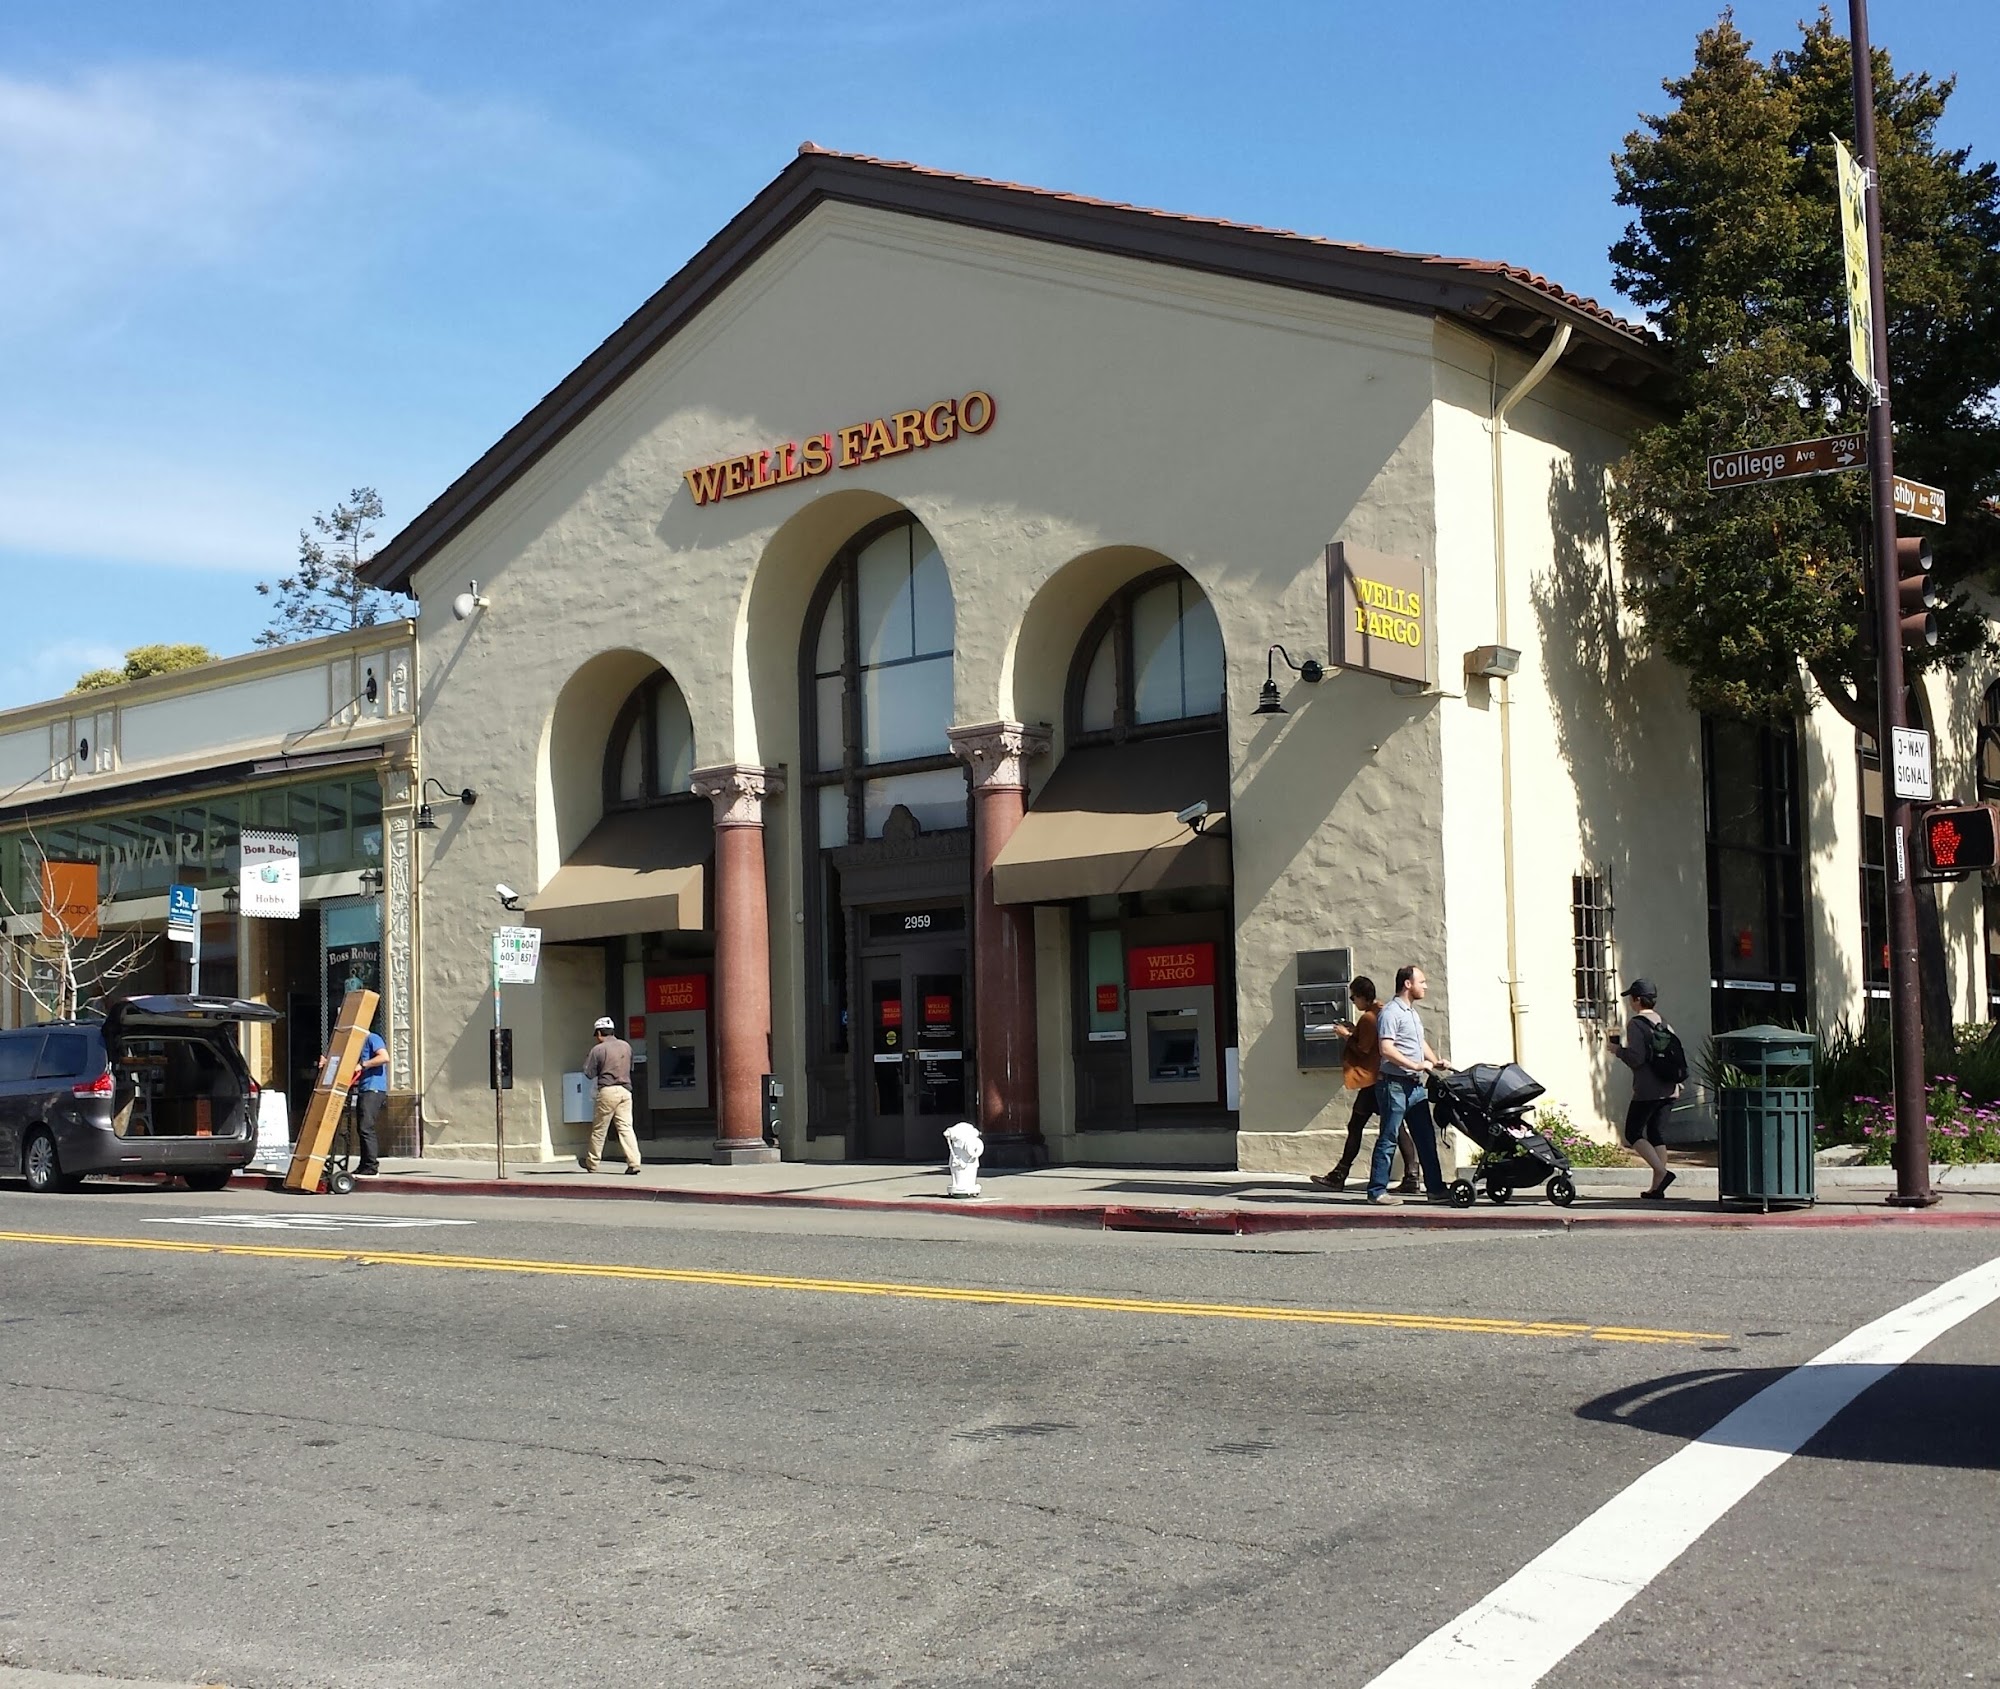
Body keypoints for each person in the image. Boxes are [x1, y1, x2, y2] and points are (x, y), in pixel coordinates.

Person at [1310, 976, 1418, 1192]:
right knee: (1396, 1127)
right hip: (1383, 1077)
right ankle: (1412, 1176)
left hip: (1373, 1081)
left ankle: (1339, 1175)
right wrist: (1354, 1031)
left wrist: (1346, 1035)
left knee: (1357, 1126)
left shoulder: (1369, 1017)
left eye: (1353, 998)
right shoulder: (1381, 1010)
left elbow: (1363, 1049)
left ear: (1362, 996)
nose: (1353, 1002)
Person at [1367, 963, 1449, 1205]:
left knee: (1426, 1137)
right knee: (1389, 1137)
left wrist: (1435, 1062)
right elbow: (1386, 1048)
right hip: (1393, 1085)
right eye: (1421, 982)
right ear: (1407, 984)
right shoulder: (1390, 1012)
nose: (1426, 986)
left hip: (1415, 1086)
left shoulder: (1411, 1013)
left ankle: (1435, 1189)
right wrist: (1415, 1065)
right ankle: (1377, 1192)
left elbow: (1419, 1042)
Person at [1607, 977, 1680, 1199]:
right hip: (1670, 1087)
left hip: (1648, 1089)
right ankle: (1657, 1188)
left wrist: (1617, 1050)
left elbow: (1636, 1058)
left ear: (1637, 1000)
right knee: (1657, 1133)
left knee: (1633, 1132)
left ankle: (1661, 1172)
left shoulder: (1636, 1024)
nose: (1631, 1002)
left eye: (1631, 998)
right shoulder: (1664, 1022)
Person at [580, 1015, 642, 1175]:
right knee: (626, 1127)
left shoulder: (598, 1049)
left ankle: (592, 1163)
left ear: (599, 1033)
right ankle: (634, 1162)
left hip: (607, 1090)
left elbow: (588, 1073)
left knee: (600, 1129)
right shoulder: (626, 1046)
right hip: (625, 1091)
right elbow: (631, 1068)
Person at [348, 1027, 388, 1176]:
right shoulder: (358, 1044)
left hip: (374, 1088)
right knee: (362, 1127)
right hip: (364, 1088)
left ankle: (371, 1166)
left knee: (366, 1127)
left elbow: (384, 1057)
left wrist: (363, 1064)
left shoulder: (372, 1038)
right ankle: (364, 1165)